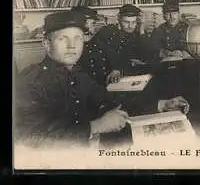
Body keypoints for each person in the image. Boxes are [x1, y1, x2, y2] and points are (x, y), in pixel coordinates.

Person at [14, 11, 129, 148]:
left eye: (78, 38)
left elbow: (108, 100)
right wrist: (95, 127)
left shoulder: (79, 75)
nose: (72, 46)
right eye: (63, 38)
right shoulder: (30, 82)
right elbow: (29, 141)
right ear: (46, 44)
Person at [92, 4, 153, 83]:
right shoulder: (107, 32)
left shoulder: (136, 34)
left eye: (134, 22)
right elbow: (103, 56)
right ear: (119, 19)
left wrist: (141, 27)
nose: (130, 26)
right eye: (126, 22)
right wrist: (117, 68)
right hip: (106, 77)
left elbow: (147, 55)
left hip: (128, 76)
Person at [71, 6, 111, 86]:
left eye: (94, 24)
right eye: (92, 24)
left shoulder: (98, 40)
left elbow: (108, 60)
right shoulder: (70, 45)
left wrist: (114, 69)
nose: (94, 27)